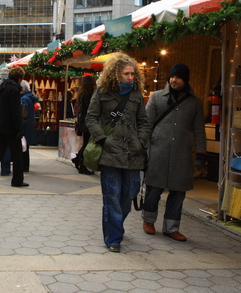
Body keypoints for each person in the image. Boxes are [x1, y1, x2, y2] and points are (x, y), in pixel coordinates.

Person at [85, 52, 150, 253]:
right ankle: (114, 238)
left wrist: (141, 142)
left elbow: (143, 121)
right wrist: (103, 140)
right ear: (115, 74)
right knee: (112, 196)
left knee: (129, 194)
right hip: (110, 153)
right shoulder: (103, 92)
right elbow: (91, 118)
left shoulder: (136, 94)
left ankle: (115, 226)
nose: (130, 78)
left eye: (132, 74)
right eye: (126, 74)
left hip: (133, 153)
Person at [142, 63, 206, 242]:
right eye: (172, 76)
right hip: (158, 150)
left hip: (182, 154)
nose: (173, 80)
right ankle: (148, 220)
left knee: (178, 192)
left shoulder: (195, 102)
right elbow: (146, 125)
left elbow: (199, 129)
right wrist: (143, 148)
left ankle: (171, 227)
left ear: (185, 80)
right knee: (154, 189)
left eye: (178, 77)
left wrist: (201, 152)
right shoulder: (156, 97)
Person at [72, 75, 96, 175]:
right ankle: (81, 164)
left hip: (83, 122)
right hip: (87, 123)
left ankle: (78, 159)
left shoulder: (81, 93)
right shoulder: (88, 95)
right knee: (86, 143)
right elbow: (90, 109)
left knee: (86, 143)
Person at [20, 80, 38, 173]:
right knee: (26, 147)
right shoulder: (29, 97)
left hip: (25, 126)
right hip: (29, 125)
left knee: (23, 148)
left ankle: (24, 167)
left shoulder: (24, 99)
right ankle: (25, 166)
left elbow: (23, 114)